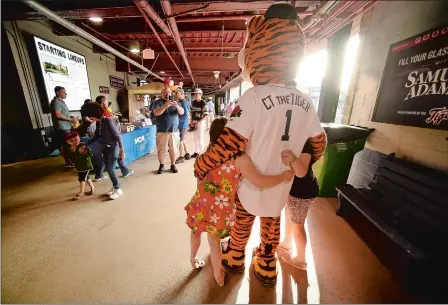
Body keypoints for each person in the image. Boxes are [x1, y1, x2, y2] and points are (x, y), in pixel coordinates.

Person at [194, 2, 327, 286]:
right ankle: (267, 262)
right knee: (271, 222)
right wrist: (302, 163)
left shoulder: (253, 98)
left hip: (250, 183)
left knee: (243, 220)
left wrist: (201, 164)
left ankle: (236, 256)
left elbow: (227, 143)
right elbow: (319, 143)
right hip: (282, 183)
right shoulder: (305, 100)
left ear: (257, 51)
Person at [185, 117, 293, 286]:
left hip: (200, 203)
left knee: (195, 232)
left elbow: (198, 178)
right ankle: (218, 277)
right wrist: (282, 177)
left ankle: (193, 259)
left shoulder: (206, 155)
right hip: (218, 210)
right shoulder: (240, 160)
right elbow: (259, 181)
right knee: (214, 244)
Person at [277, 140, 318, 270]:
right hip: (294, 190)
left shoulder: (306, 144)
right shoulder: (291, 138)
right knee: (289, 216)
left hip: (302, 192)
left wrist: (292, 157)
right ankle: (287, 243)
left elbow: (301, 173)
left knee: (298, 225)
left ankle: (301, 259)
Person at [84, 103, 134, 200]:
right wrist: (85, 144)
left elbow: (118, 136)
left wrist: (121, 150)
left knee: (110, 169)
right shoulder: (99, 122)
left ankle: (118, 189)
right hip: (105, 148)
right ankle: (114, 186)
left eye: (90, 116)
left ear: (94, 114)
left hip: (113, 148)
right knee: (108, 168)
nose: (89, 118)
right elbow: (96, 136)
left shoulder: (108, 121)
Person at [152, 87, 184, 174]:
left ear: (171, 93)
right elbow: (156, 113)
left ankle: (173, 165)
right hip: (162, 131)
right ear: (161, 93)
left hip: (174, 130)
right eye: (165, 92)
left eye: (169, 92)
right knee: (162, 149)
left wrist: (177, 106)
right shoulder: (157, 102)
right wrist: (165, 106)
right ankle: (161, 165)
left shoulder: (175, 102)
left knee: (173, 149)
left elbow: (182, 112)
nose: (167, 94)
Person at [50, 86, 78, 167]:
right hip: (62, 127)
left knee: (68, 145)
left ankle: (70, 161)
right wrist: (70, 119)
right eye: (63, 92)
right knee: (67, 145)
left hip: (67, 127)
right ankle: (69, 162)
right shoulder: (56, 102)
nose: (66, 94)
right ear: (58, 93)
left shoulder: (61, 102)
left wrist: (71, 117)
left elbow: (63, 114)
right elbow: (58, 115)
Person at [64, 130, 95, 200]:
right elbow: (72, 157)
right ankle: (93, 188)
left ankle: (81, 192)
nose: (75, 141)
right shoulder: (72, 148)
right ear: (68, 142)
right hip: (79, 166)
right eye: (71, 140)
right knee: (86, 178)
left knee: (82, 179)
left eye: (76, 139)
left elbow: (90, 154)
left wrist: (83, 153)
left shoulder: (83, 145)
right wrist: (72, 149)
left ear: (79, 138)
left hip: (85, 165)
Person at [190, 88, 208, 158]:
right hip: (194, 121)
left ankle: (201, 153)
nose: (195, 95)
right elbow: (192, 113)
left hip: (201, 122)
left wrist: (199, 122)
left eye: (196, 94)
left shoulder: (203, 103)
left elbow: (206, 115)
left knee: (200, 138)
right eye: (194, 94)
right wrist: (191, 122)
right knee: (195, 138)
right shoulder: (193, 102)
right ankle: (196, 152)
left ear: (200, 94)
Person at [175, 88, 191, 164]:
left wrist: (178, 121)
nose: (175, 95)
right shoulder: (180, 102)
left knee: (180, 140)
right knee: (183, 139)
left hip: (182, 124)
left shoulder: (184, 103)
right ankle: (187, 154)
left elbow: (186, 115)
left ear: (182, 94)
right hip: (182, 124)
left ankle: (181, 156)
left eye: (177, 93)